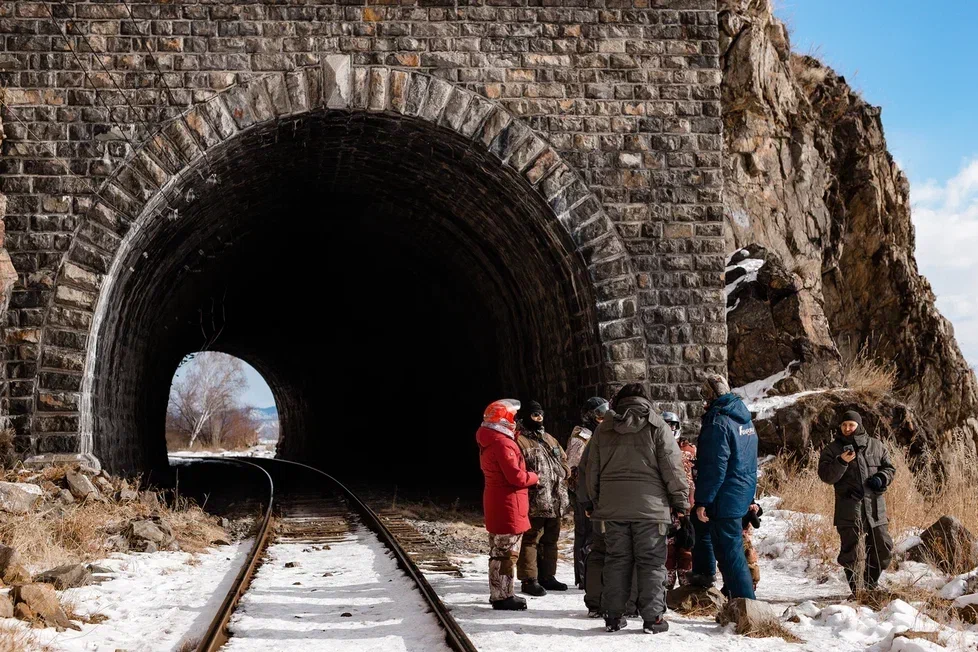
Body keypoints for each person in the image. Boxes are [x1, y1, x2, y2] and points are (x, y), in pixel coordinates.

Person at [587, 384, 689, 634]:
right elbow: (672, 469)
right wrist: (681, 503)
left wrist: (594, 501)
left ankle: (612, 617)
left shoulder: (603, 429)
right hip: (651, 509)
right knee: (652, 563)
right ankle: (653, 619)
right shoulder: (657, 427)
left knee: (616, 560)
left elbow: (592, 470)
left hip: (613, 509)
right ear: (646, 401)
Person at [693, 373, 758, 601]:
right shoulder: (744, 419)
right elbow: (749, 461)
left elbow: (714, 466)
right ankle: (736, 599)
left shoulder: (717, 421)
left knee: (730, 555)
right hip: (741, 493)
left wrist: (703, 501)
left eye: (704, 394)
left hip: (725, 497)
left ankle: (746, 606)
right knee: (733, 552)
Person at [817, 410, 895, 594]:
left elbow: (890, 468)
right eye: (844, 425)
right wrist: (841, 462)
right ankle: (858, 591)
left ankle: (870, 583)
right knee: (850, 553)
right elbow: (826, 476)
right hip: (848, 508)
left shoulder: (876, 446)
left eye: (851, 425)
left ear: (859, 426)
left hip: (875, 507)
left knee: (882, 547)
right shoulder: (832, 450)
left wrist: (881, 478)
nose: (847, 428)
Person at [476, 399, 539, 610]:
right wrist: (534, 477)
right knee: (507, 554)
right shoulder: (503, 443)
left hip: (496, 502)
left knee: (498, 552)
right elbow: (516, 477)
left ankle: (498, 593)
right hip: (509, 504)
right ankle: (504, 596)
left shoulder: (489, 440)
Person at [515, 400, 570, 596]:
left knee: (551, 539)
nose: (538, 418)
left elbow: (564, 459)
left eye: (540, 415)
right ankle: (529, 579)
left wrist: (564, 472)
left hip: (555, 499)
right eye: (534, 415)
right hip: (535, 499)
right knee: (530, 539)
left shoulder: (549, 439)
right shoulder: (519, 440)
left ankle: (548, 576)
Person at [567, 397, 609, 589]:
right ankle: (583, 576)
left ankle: (591, 575)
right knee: (585, 534)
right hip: (583, 493)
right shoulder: (581, 438)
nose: (603, 418)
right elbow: (572, 469)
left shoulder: (600, 435)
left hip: (595, 492)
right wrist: (581, 493)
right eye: (599, 415)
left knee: (596, 535)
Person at [662, 411, 697, 589]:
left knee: (686, 542)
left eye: (672, 425)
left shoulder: (689, 449)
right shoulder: (658, 448)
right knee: (668, 543)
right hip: (666, 502)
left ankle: (685, 575)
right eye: (666, 425)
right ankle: (668, 576)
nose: (669, 428)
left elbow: (697, 474)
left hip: (687, 502)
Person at [742, 501, 762, 590]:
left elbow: (760, 511)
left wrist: (755, 507)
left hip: (744, 536)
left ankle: (751, 585)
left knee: (749, 560)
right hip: (737, 535)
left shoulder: (746, 495)